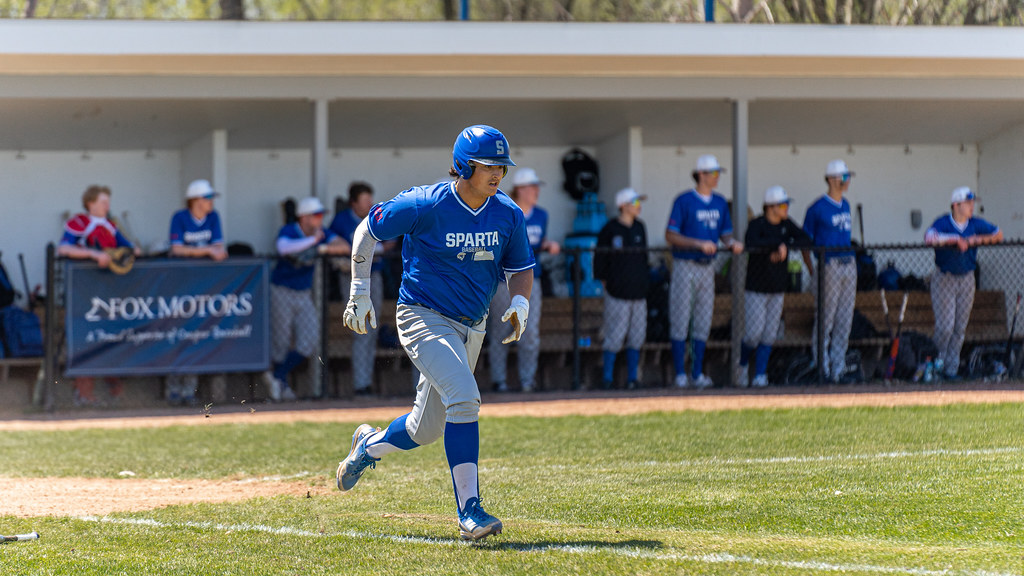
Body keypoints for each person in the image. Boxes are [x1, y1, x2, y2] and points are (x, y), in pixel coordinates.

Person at [335, 125, 533, 542]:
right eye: (487, 165)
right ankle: (469, 511)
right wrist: (359, 291)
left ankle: (366, 447)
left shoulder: (509, 213)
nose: (497, 173)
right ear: (463, 165)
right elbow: (366, 230)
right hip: (422, 316)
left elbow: (520, 268)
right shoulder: (425, 203)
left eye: (501, 165)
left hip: (472, 325)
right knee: (465, 397)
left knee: (424, 430)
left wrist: (520, 303)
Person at [665, 154, 744, 389]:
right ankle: (680, 373)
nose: (717, 177)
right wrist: (697, 243)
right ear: (701, 174)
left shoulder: (719, 202)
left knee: (703, 320)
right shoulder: (684, 200)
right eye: (713, 173)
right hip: (685, 265)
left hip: (707, 267)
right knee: (680, 319)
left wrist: (730, 243)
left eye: (718, 173)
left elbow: (724, 233)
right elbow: (670, 235)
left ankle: (697, 373)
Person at [57, 185, 139, 406]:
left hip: (110, 291)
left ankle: (116, 394)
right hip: (83, 292)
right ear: (90, 203)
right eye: (103, 202)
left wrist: (130, 251)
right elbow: (63, 249)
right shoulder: (79, 223)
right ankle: (83, 393)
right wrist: (93, 254)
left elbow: (129, 248)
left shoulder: (111, 225)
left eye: (108, 201)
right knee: (85, 338)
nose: (107, 206)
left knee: (111, 336)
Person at [264, 196, 350, 402]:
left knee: (309, 341)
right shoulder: (290, 230)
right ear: (304, 218)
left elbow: (344, 246)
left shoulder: (322, 234)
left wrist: (323, 248)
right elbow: (283, 248)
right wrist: (313, 242)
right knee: (281, 342)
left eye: (321, 216)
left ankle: (277, 376)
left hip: (303, 294)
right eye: (316, 216)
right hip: (281, 291)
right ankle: (280, 384)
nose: (320, 220)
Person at [487, 167, 560, 393]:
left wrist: (547, 244)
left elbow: (534, 242)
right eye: (531, 186)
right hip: (502, 281)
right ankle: (499, 381)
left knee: (529, 332)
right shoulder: (504, 211)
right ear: (519, 189)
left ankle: (527, 380)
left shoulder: (542, 215)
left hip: (531, 281)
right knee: (500, 332)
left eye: (536, 186)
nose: (536, 190)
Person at [924, 186, 1003, 380]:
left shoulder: (975, 223)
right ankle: (936, 365)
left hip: (967, 278)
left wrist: (977, 239)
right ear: (956, 205)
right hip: (945, 278)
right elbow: (929, 237)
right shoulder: (943, 222)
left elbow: (998, 234)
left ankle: (951, 369)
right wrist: (955, 240)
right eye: (967, 203)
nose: (971, 207)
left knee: (959, 328)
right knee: (945, 327)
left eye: (972, 203)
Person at [738, 186, 813, 388]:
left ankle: (760, 375)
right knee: (753, 333)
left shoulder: (786, 224)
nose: (786, 208)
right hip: (756, 288)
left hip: (777, 288)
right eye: (782, 205)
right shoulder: (757, 224)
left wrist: (785, 245)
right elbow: (752, 241)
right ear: (771, 207)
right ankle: (742, 367)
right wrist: (775, 245)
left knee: (770, 333)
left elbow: (805, 239)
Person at [165, 179, 228, 405]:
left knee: (197, 336)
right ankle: (173, 389)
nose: (211, 202)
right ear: (195, 200)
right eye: (207, 198)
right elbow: (176, 248)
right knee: (178, 335)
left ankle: (188, 391)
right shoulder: (180, 217)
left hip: (204, 287)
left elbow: (219, 249)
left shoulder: (213, 218)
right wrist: (205, 251)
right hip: (180, 286)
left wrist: (202, 252)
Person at [328, 182, 396, 396]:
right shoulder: (342, 220)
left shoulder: (375, 216)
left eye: (370, 199)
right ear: (354, 202)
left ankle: (364, 383)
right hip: (351, 278)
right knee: (360, 331)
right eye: (365, 200)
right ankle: (360, 385)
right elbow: (332, 242)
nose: (369, 203)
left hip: (374, 275)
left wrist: (369, 250)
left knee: (371, 331)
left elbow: (391, 242)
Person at [801, 159, 857, 383]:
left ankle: (838, 368)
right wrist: (813, 270)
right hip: (829, 265)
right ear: (833, 179)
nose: (847, 181)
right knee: (826, 318)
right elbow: (806, 243)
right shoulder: (817, 208)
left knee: (845, 319)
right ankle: (822, 367)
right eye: (844, 177)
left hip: (848, 264)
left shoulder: (846, 204)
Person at [594, 187, 649, 390]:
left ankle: (633, 378)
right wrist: (608, 284)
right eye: (634, 203)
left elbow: (644, 259)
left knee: (637, 336)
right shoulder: (609, 229)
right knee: (614, 336)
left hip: (638, 293)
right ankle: (608, 379)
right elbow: (600, 262)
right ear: (623, 206)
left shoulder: (640, 227)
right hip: (617, 293)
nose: (638, 206)